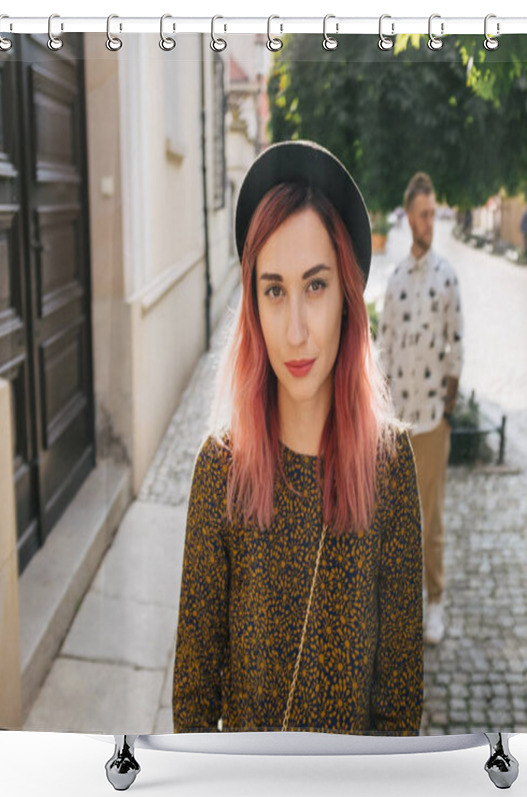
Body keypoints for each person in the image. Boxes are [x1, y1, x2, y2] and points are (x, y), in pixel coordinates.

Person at [173, 141, 423, 735]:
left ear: (346, 299)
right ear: (254, 307)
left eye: (315, 286)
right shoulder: (222, 471)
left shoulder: (389, 468)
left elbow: (398, 705)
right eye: (274, 290)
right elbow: (192, 702)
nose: (296, 330)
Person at [378, 172, 464, 645]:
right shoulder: (394, 282)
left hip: (433, 420)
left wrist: (448, 411)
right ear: (409, 217)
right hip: (400, 423)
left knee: (431, 518)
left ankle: (436, 602)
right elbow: (384, 350)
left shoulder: (447, 277)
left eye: (434, 214)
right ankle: (404, 602)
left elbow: (457, 346)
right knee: (399, 518)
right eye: (424, 214)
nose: (430, 221)